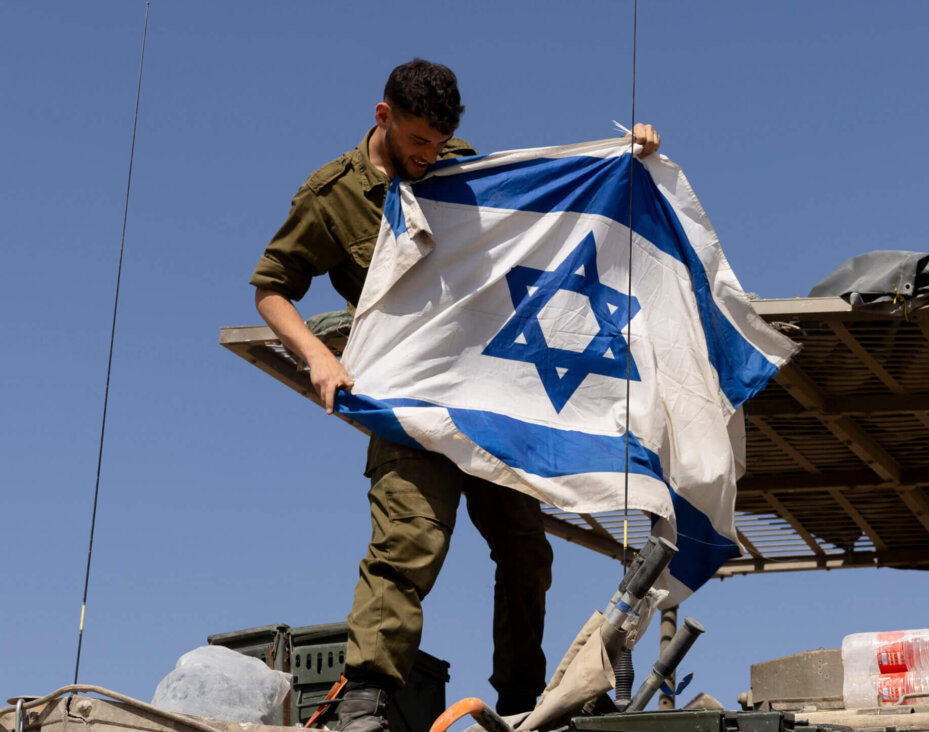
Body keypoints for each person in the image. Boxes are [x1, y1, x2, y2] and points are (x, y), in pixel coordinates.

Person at [250, 58, 660, 732]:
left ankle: (525, 700)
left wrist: (620, 157)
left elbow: (545, 203)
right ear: (383, 118)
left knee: (526, 550)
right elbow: (271, 289)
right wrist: (321, 359)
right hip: (406, 401)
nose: (429, 156)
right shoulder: (330, 196)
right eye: (417, 142)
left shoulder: (459, 168)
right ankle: (366, 701)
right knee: (409, 542)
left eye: (439, 144)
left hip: (485, 395)